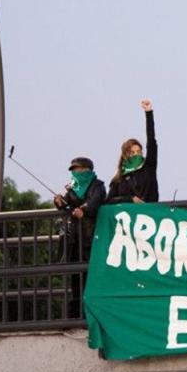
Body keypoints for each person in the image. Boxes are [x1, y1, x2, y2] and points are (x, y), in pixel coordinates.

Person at [53, 156, 106, 318]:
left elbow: (96, 201)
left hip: (92, 238)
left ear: (86, 170)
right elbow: (65, 202)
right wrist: (59, 201)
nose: (75, 173)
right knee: (76, 278)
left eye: (77, 170)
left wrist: (83, 209)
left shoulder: (98, 185)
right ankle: (75, 314)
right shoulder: (73, 188)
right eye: (73, 170)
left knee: (92, 276)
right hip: (75, 239)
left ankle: (93, 313)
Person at [107, 99, 159, 204]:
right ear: (125, 155)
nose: (136, 154)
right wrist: (130, 199)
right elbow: (109, 200)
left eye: (139, 151)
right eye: (132, 152)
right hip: (129, 218)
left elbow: (151, 143)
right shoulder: (119, 178)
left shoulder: (148, 167)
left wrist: (149, 113)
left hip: (149, 215)